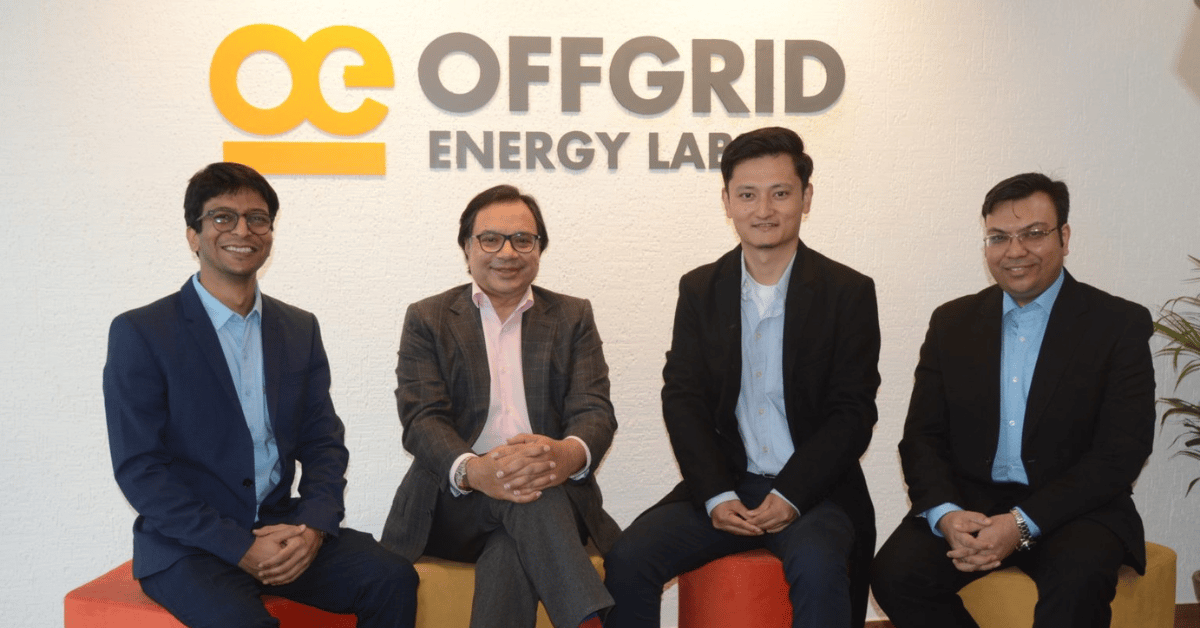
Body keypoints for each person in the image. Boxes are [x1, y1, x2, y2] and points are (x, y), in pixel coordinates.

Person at [103, 162, 418, 628]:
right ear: (193, 236)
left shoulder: (298, 328)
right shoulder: (143, 332)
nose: (242, 230)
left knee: (392, 578)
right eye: (222, 217)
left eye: (257, 218)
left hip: (280, 526)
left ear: (270, 233)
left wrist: (314, 527)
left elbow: (323, 443)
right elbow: (141, 469)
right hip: (190, 545)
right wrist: (239, 546)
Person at [603, 126, 881, 628]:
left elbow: (853, 413)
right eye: (748, 195)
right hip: (727, 483)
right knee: (628, 558)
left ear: (806, 198)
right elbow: (683, 399)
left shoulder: (848, 292)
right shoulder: (699, 289)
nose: (764, 210)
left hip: (814, 491)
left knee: (819, 569)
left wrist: (791, 495)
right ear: (727, 202)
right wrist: (715, 494)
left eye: (781, 194)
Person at [870, 172, 1156, 627]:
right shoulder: (952, 323)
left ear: (1064, 237)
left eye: (1034, 234)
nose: (1015, 251)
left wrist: (1022, 523)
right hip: (972, 503)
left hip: (1075, 510)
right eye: (999, 237)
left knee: (1078, 583)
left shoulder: (1117, 324)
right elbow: (922, 437)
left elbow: (1122, 452)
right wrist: (945, 515)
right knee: (894, 575)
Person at [380, 184, 619, 628]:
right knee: (531, 498)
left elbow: (594, 412)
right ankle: (589, 619)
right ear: (467, 248)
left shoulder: (573, 316)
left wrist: (563, 456)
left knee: (516, 533)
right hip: (455, 503)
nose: (507, 252)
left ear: (539, 248)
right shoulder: (429, 318)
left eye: (522, 240)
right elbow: (422, 418)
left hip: (549, 489)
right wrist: (475, 471)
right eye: (490, 239)